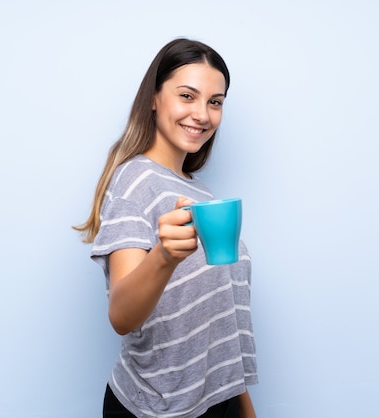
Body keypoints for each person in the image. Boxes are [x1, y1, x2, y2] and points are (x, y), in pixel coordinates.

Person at [76, 38, 258, 418]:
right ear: (154, 99)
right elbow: (122, 318)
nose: (203, 114)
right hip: (155, 410)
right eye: (187, 96)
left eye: (215, 101)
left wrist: (245, 409)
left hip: (217, 404)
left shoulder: (199, 192)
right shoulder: (134, 182)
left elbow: (221, 325)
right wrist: (164, 255)